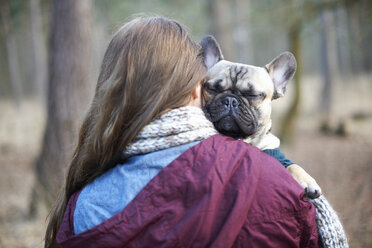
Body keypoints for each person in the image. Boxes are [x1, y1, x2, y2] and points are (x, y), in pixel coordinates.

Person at [45, 16, 347, 248]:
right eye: (215, 89)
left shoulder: (81, 204)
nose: (230, 103)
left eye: (250, 96)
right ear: (196, 88)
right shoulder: (279, 186)